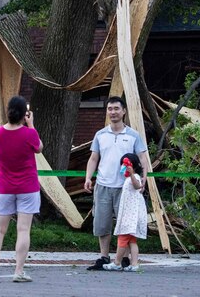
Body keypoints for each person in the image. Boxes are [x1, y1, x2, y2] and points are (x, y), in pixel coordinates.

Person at [0, 95, 43, 283]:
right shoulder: (30, 134)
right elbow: (39, 148)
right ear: (24, 114)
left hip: (4, 187)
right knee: (23, 230)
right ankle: (18, 272)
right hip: (28, 186)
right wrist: (31, 125)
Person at [84, 96, 152, 270]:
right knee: (102, 222)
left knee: (126, 224)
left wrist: (143, 177)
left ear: (123, 111)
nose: (113, 112)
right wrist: (88, 178)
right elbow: (93, 158)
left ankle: (125, 259)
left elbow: (143, 157)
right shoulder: (100, 135)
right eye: (110, 109)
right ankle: (104, 257)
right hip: (103, 184)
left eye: (116, 108)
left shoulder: (133, 135)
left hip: (126, 188)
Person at [102, 152, 147, 272]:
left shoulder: (135, 177)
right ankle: (134, 264)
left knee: (122, 239)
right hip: (130, 213)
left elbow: (138, 186)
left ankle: (117, 262)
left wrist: (132, 174)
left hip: (131, 215)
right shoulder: (128, 179)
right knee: (132, 240)